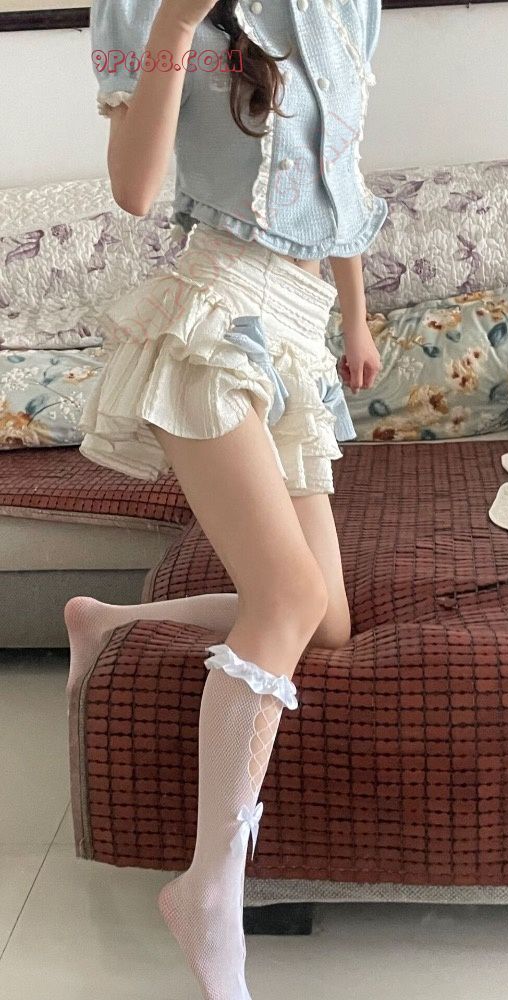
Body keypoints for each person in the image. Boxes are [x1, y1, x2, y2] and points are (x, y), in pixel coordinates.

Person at [65, 0, 387, 996]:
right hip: (215, 313)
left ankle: (108, 623)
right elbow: (134, 189)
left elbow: (339, 174)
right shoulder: (144, 11)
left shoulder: (346, 10)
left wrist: (355, 318)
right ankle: (208, 889)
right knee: (286, 597)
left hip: (299, 326)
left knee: (324, 622)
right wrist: (172, 25)